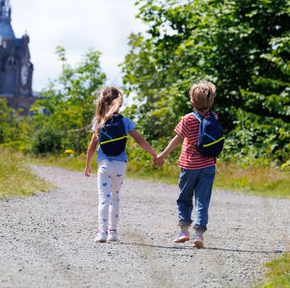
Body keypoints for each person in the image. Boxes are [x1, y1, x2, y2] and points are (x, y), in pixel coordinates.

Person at [85, 86, 158, 243]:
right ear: (120, 104)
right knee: (115, 198)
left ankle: (102, 232)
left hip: (104, 165)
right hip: (120, 166)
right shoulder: (125, 121)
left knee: (104, 199)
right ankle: (113, 232)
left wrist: (88, 164)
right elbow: (140, 140)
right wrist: (155, 155)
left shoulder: (100, 121)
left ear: (103, 103)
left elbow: (92, 145)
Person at [154, 80, 219, 248]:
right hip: (208, 166)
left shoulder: (188, 119)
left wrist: (161, 156)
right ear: (211, 102)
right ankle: (199, 234)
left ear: (192, 102)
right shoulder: (214, 118)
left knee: (184, 198)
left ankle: (184, 231)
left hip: (189, 166)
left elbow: (177, 140)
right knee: (202, 200)